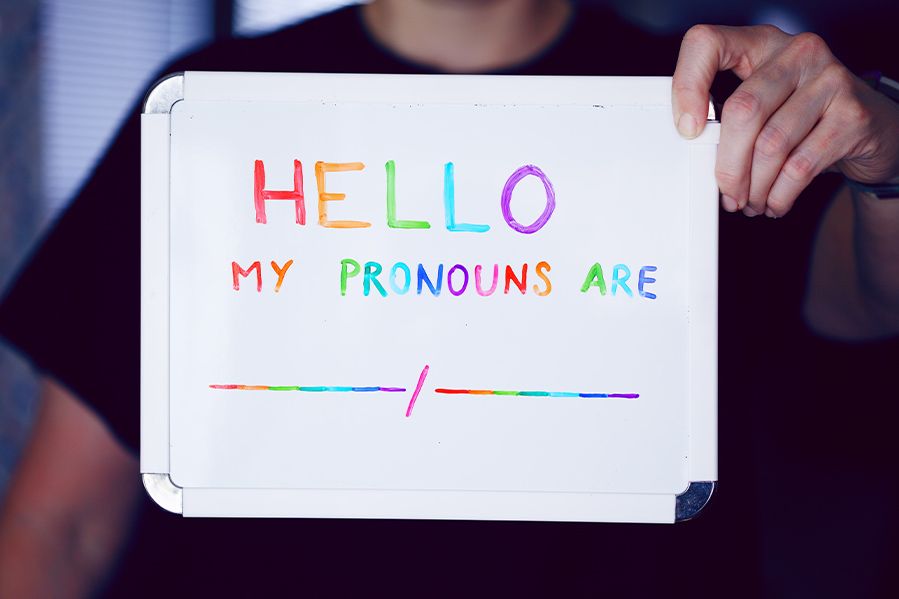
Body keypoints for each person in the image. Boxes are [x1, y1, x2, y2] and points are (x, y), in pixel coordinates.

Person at [1, 1, 898, 596]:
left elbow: (869, 298)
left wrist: (886, 154)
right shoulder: (207, 112)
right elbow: (60, 521)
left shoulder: (707, 110)